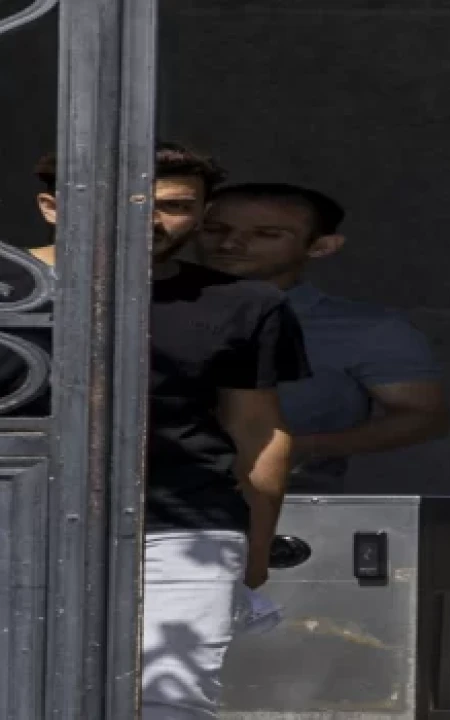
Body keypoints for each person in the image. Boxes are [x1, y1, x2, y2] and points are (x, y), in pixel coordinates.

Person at [31, 144, 311, 718]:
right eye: (116, 200)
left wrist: (255, 546)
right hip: (20, 518)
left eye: (174, 205)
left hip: (184, 529)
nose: (147, 219)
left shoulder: (244, 303)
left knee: (169, 702)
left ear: (203, 215)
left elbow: (258, 429)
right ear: (53, 207)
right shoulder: (12, 288)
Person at [194, 183, 449, 493]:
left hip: (292, 504)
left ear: (321, 246)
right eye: (214, 229)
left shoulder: (366, 328)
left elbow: (423, 416)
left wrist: (299, 448)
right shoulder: (150, 311)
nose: (230, 244)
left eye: (266, 234)